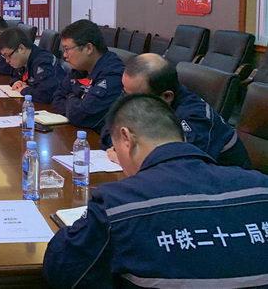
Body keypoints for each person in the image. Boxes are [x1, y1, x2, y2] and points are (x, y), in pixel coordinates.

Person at [43, 93, 268, 288]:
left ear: (126, 138)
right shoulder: (261, 186)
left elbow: (63, 270)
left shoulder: (117, 203)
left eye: (115, 149)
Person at [101, 53, 251, 168]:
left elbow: (180, 166)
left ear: (166, 97)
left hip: (229, 188)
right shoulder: (138, 93)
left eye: (135, 97)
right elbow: (109, 130)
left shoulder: (195, 117)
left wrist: (127, 157)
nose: (128, 102)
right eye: (125, 93)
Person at [51, 19, 124, 131]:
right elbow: (56, 99)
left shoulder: (112, 74)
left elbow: (81, 116)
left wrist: (70, 96)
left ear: (89, 48)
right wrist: (77, 101)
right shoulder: (80, 68)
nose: (65, 55)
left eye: (67, 49)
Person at [0, 27, 65, 103]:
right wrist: (16, 82)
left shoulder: (43, 62)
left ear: (21, 48)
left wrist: (24, 90)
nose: (7, 61)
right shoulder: (23, 59)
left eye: (8, 56)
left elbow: (45, 95)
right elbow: (15, 76)